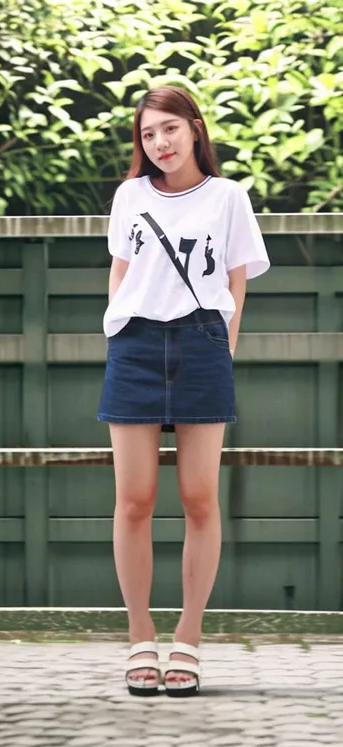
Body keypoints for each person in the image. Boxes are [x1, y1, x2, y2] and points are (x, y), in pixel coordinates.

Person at [97, 86, 270, 697]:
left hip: (201, 345)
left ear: (195, 128)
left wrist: (223, 349)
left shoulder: (228, 198)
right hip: (136, 344)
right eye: (148, 134)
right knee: (134, 500)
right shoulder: (129, 196)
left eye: (169, 128)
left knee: (200, 499)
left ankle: (188, 640)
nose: (160, 143)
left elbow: (235, 281)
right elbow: (120, 269)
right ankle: (140, 636)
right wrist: (116, 324)